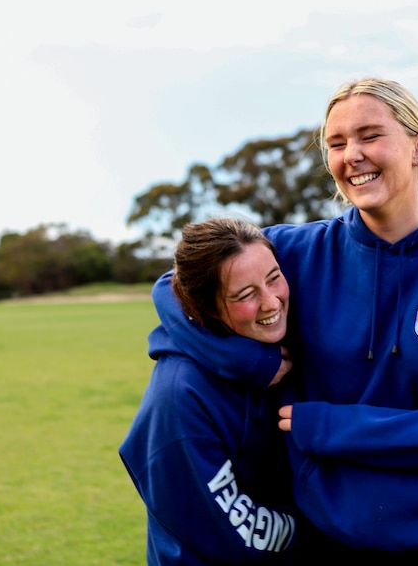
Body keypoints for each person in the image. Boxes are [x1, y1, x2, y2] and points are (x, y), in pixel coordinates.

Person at [150, 77, 418, 565]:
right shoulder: (296, 253)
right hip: (327, 541)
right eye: (336, 143)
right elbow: (177, 285)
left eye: (370, 136)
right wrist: (250, 360)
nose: (352, 154)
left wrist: (330, 426)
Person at [119, 218, 301, 565]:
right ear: (205, 308)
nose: (271, 302)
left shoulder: (278, 345)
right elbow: (236, 532)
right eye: (245, 295)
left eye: (274, 277)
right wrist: (321, 527)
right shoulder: (179, 397)